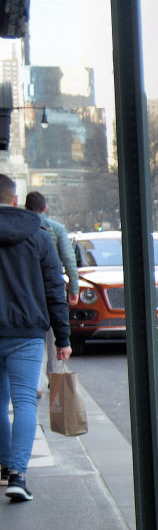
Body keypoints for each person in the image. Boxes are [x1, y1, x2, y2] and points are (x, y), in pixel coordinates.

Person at [0, 174, 71, 502]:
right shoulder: (40, 237)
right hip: (27, 332)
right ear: (15, 200)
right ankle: (18, 474)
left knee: (0, 403)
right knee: (25, 401)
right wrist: (62, 337)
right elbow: (55, 288)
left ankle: (3, 468)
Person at [24, 191, 78, 395]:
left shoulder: (23, 230)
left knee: (33, 342)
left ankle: (36, 383)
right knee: (53, 338)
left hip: (30, 294)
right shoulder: (56, 229)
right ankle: (54, 381)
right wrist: (73, 288)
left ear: (25, 208)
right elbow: (69, 259)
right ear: (44, 208)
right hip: (53, 291)